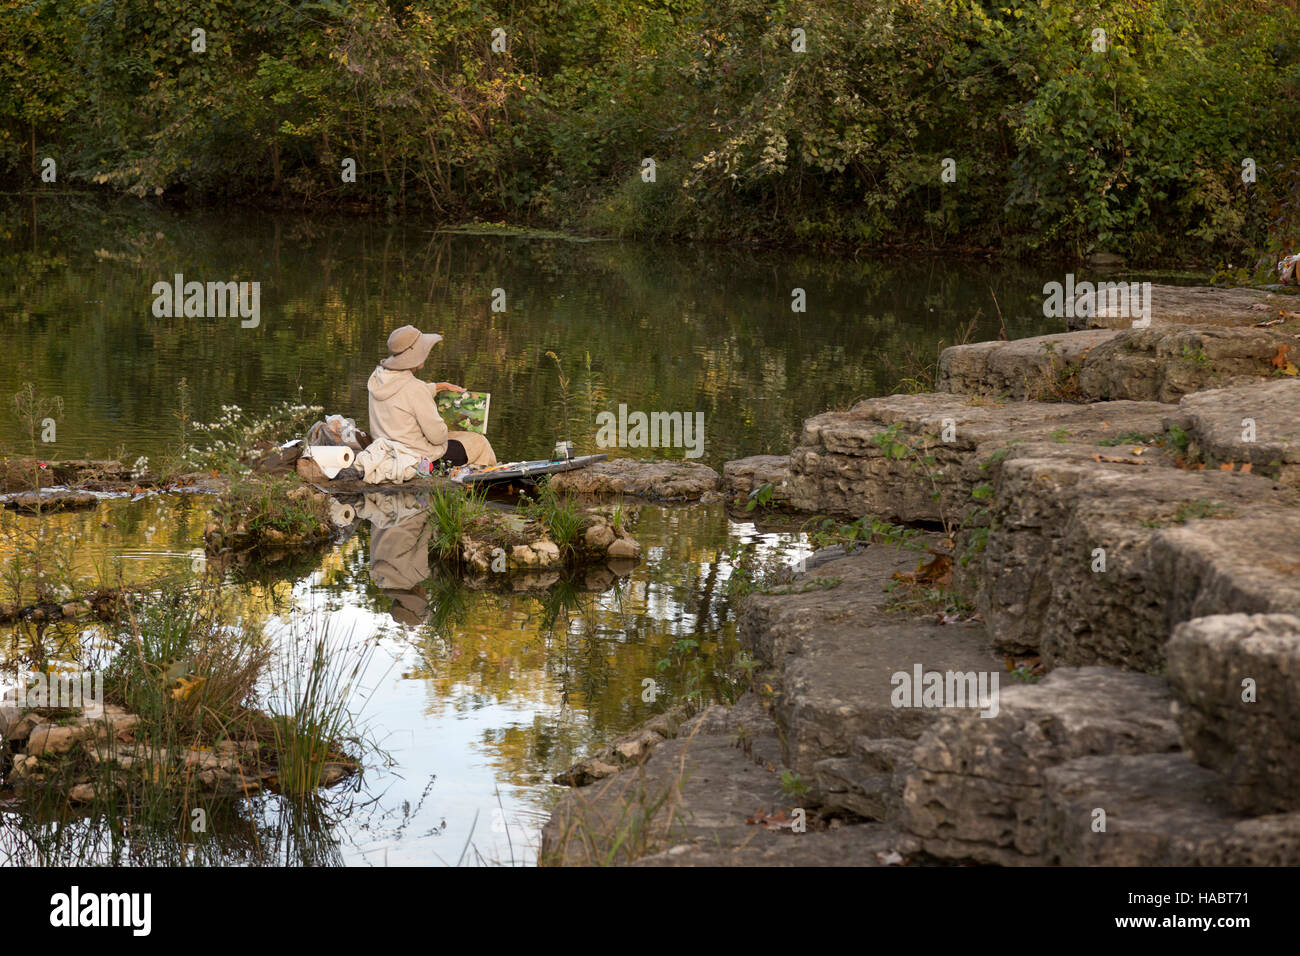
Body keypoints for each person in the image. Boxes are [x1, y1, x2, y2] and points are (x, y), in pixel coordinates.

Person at [365, 325, 497, 468]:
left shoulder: (377, 377)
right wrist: (449, 423)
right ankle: (484, 483)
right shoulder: (415, 389)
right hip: (419, 458)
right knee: (479, 442)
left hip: (388, 451)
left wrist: (440, 386)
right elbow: (437, 437)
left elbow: (402, 394)